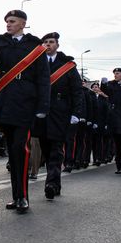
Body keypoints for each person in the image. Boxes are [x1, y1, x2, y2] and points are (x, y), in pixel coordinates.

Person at [0, 10, 50, 213]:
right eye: (6, 21)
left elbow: (43, 79)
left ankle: (23, 197)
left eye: (12, 21)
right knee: (12, 155)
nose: (8, 24)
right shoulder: (0, 43)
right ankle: (15, 196)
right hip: (5, 103)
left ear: (23, 23)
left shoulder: (35, 47)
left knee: (20, 149)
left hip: (26, 103)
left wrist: (42, 107)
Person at [37, 32, 84, 199]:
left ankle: (52, 183)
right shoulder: (36, 62)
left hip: (60, 112)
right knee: (46, 149)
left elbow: (77, 91)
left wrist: (76, 113)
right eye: (45, 42)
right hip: (41, 112)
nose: (48, 45)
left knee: (56, 149)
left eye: (51, 42)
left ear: (57, 45)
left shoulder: (68, 65)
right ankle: (53, 182)